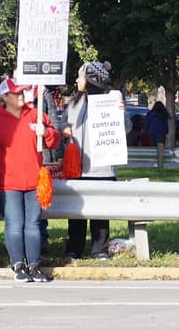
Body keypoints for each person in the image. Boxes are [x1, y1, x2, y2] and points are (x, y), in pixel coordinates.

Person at [0, 77, 60, 283]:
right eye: (16, 93)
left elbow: (55, 139)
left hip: (34, 180)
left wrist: (47, 133)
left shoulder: (36, 115)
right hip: (7, 183)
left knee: (33, 224)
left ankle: (34, 265)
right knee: (14, 224)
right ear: (4, 97)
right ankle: (18, 264)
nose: (21, 96)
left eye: (23, 92)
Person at [63, 61, 120, 260]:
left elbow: (125, 128)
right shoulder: (73, 102)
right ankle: (74, 249)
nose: (77, 80)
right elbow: (63, 122)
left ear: (90, 80)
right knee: (76, 214)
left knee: (100, 214)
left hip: (102, 168)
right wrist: (64, 129)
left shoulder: (112, 101)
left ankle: (100, 249)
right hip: (77, 168)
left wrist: (121, 114)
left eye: (80, 76)